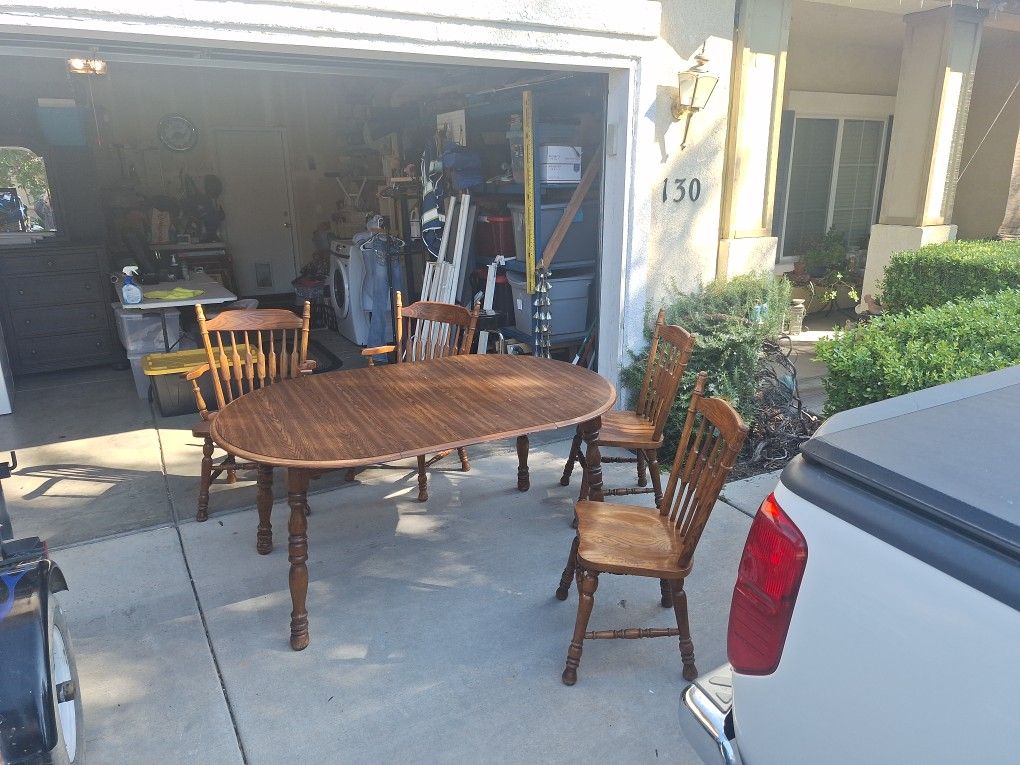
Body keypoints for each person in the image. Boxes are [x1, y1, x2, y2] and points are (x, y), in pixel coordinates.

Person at [355, 214, 405, 354]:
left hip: (375, 284)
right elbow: (358, 240)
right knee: (395, 298)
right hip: (373, 287)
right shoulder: (364, 239)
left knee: (397, 299)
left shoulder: (388, 240)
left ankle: (398, 344)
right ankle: (384, 346)